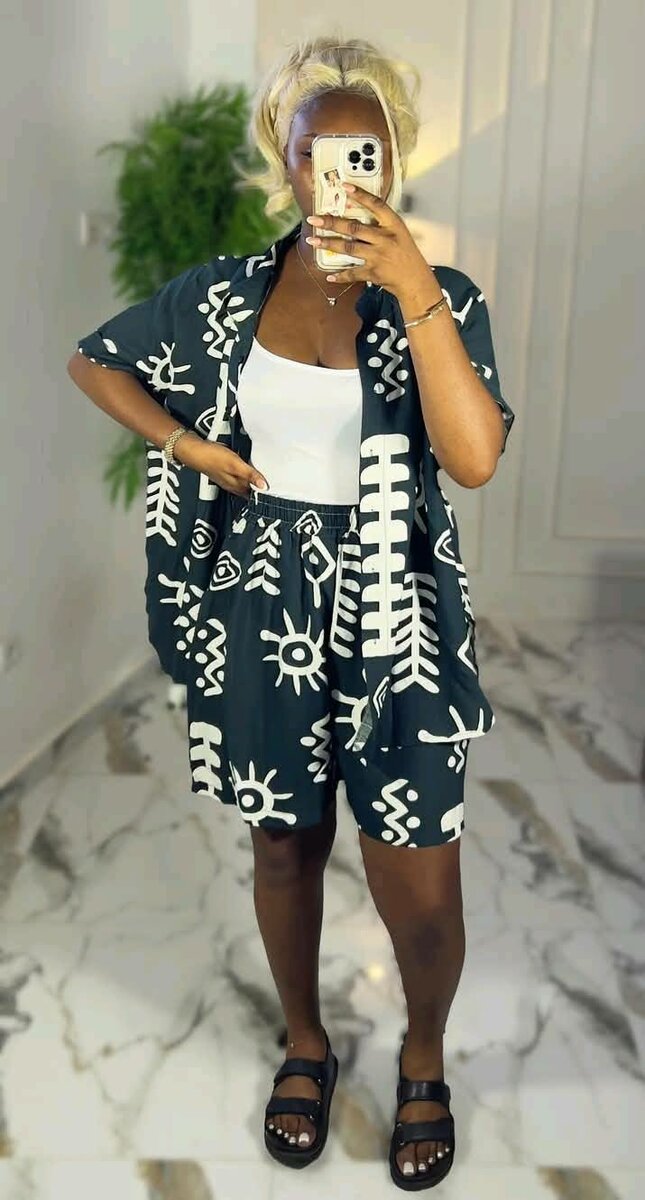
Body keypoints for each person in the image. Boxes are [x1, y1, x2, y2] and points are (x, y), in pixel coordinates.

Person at [67, 33, 515, 1190]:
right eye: (320, 154)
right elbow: (97, 360)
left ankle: (423, 1056)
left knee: (421, 877)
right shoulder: (227, 293)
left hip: (396, 611)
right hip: (267, 608)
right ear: (290, 161)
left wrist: (413, 285)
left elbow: (473, 458)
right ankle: (305, 1043)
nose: (343, 175)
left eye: (366, 153)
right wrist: (187, 444)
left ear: (394, 160)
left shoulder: (443, 296)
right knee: (283, 846)